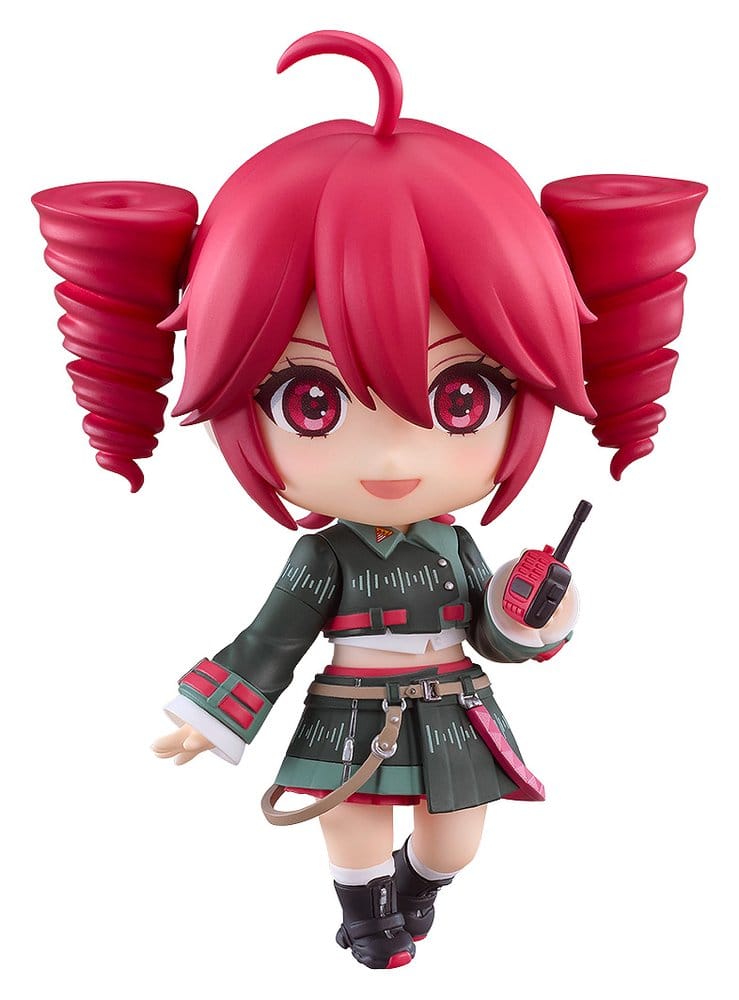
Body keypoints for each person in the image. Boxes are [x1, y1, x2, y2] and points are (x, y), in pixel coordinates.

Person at [32, 28, 706, 971]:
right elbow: (271, 639)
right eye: (311, 402)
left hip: (452, 703)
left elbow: (493, 635)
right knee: (348, 825)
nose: (391, 452)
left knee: (456, 839)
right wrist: (210, 715)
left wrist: (534, 610)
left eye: (461, 397)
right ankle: (363, 913)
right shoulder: (324, 557)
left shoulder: (452, 547)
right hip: (348, 709)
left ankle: (417, 891)